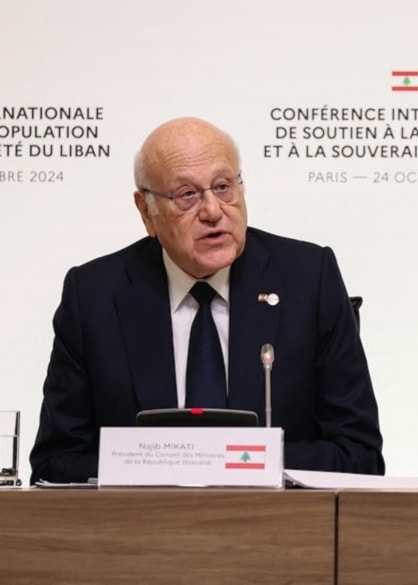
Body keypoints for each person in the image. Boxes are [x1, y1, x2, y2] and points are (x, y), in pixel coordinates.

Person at [30, 117, 384, 483]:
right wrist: (176, 466)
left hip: (279, 529)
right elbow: (56, 463)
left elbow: (359, 454)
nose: (213, 210)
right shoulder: (94, 295)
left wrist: (233, 463)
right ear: (145, 211)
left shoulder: (309, 279)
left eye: (223, 186)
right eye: (186, 195)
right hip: (142, 529)